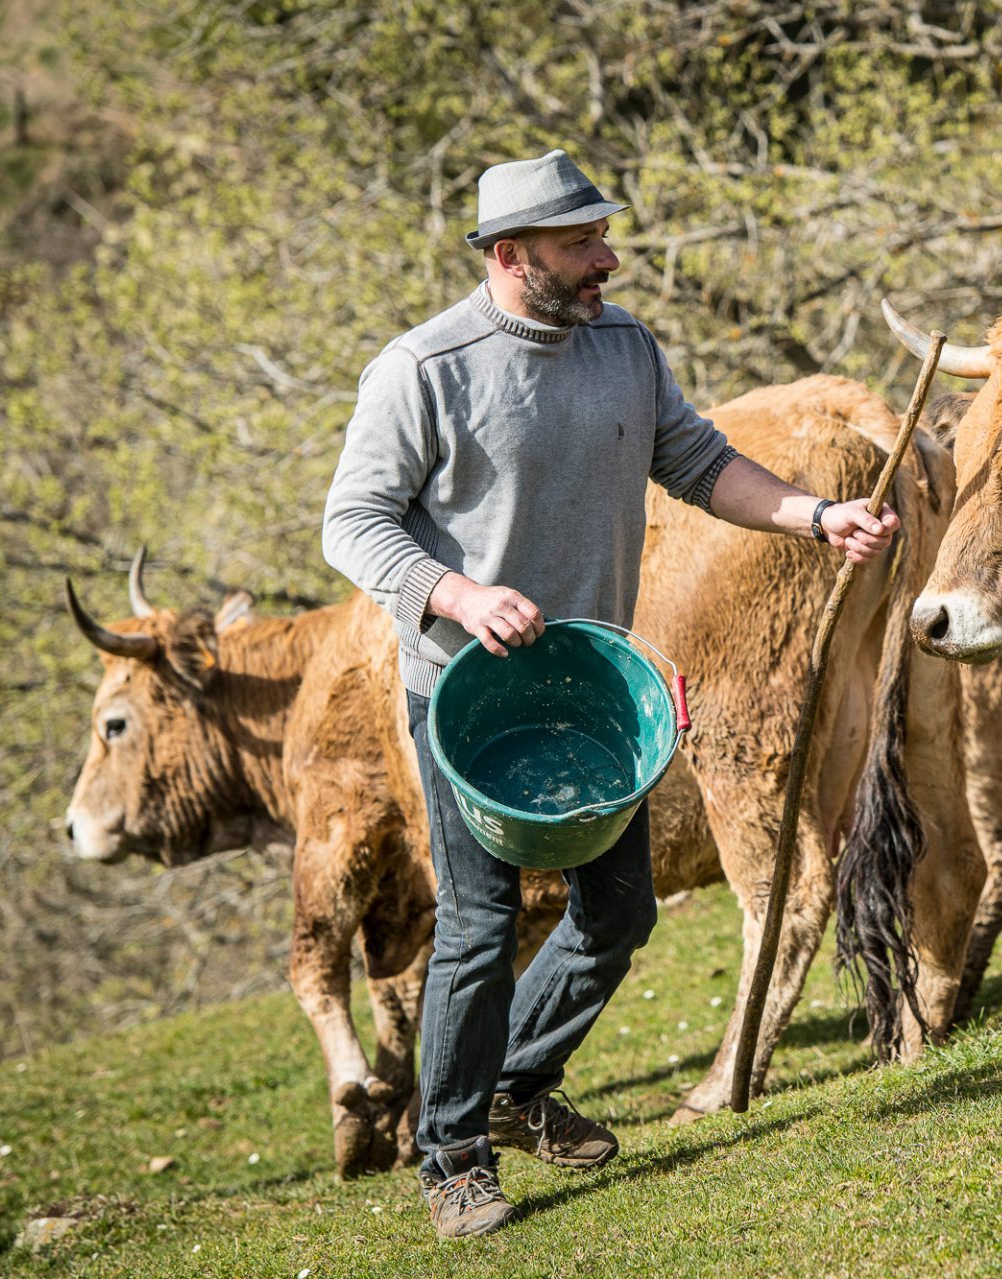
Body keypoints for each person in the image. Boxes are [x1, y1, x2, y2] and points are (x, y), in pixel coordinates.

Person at [321, 149, 898, 1239]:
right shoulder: (423, 369)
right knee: (484, 924)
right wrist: (457, 592)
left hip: (589, 691)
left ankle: (512, 1080)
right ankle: (451, 1160)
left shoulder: (624, 346)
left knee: (620, 909)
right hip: (464, 693)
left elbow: (699, 462)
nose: (608, 258)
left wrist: (817, 517)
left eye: (602, 236)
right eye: (581, 243)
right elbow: (351, 523)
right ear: (509, 255)